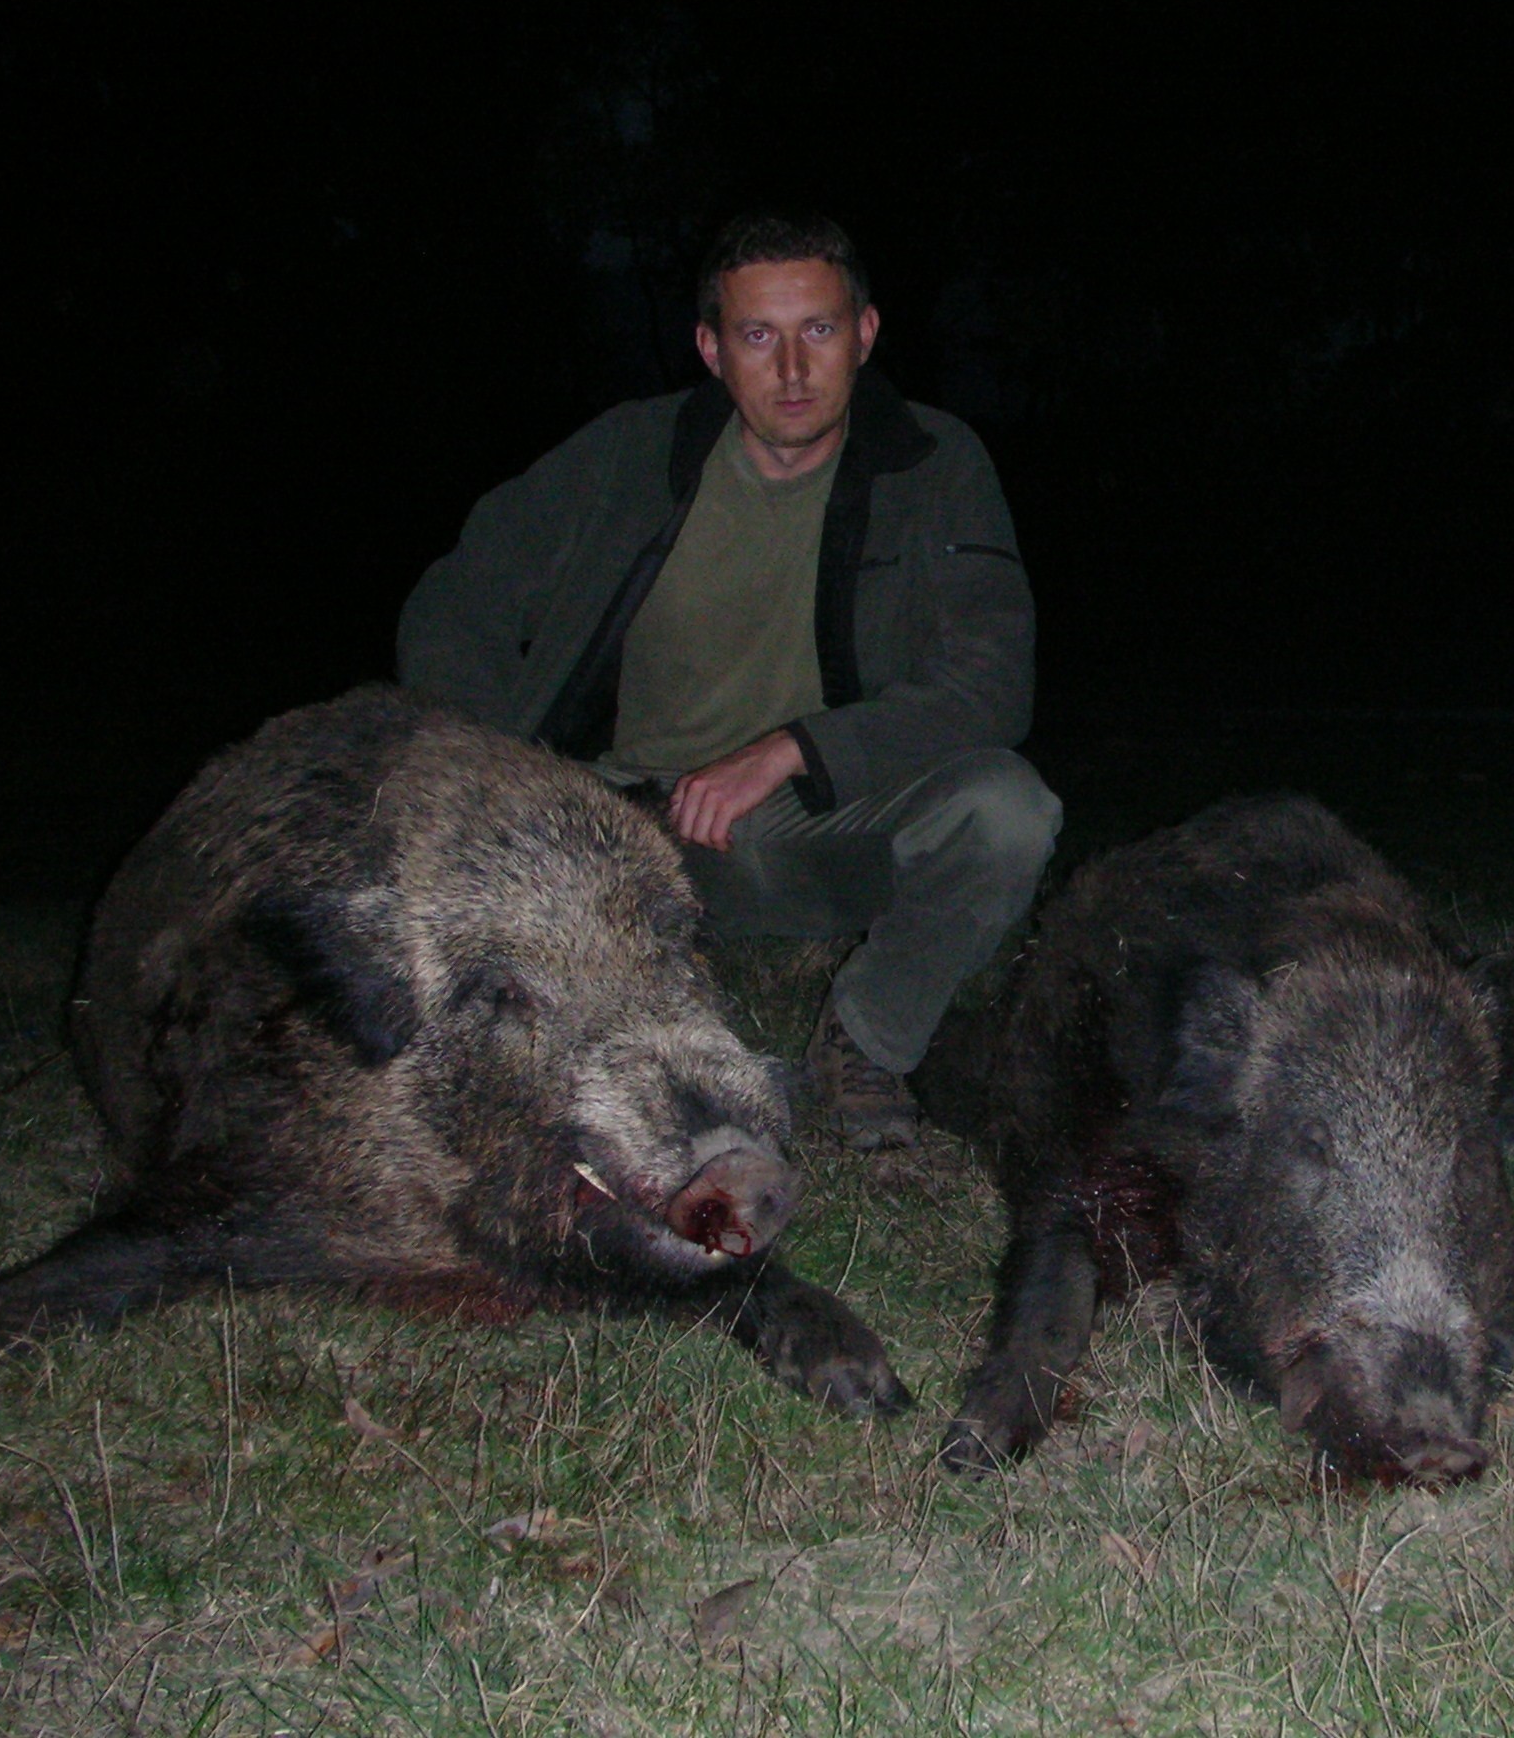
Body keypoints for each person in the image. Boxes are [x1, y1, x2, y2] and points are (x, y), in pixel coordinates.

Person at [399, 212, 1059, 1148]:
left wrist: (792, 751)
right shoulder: (628, 456)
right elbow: (453, 604)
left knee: (1010, 812)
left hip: (813, 829)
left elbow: (993, 685)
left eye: (818, 331)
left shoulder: (935, 463)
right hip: (626, 836)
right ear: (711, 349)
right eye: (758, 336)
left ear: (866, 334)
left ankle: (868, 1042)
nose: (792, 370)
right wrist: (521, 778)